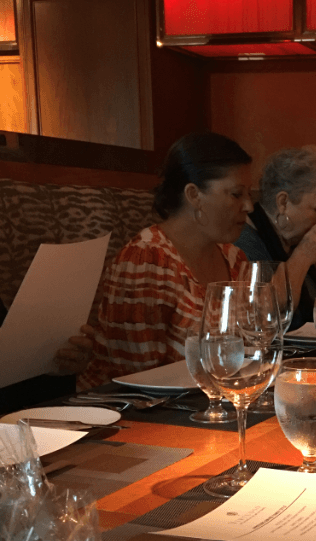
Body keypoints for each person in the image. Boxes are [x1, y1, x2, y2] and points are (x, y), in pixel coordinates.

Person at [79, 133, 252, 389]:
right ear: (194, 195)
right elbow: (136, 383)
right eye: (236, 194)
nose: (248, 205)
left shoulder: (234, 258)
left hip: (210, 404)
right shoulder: (147, 259)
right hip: (132, 416)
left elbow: (248, 351)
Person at [236, 145, 316, 330]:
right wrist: (304, 256)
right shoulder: (244, 242)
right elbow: (266, 321)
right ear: (283, 202)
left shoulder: (291, 241)